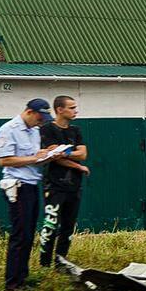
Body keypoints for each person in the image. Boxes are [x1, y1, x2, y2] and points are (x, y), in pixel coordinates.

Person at [0, 99, 58, 291]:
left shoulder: (34, 131)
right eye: (39, 118)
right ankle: (12, 283)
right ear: (29, 112)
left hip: (31, 184)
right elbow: (4, 160)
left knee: (29, 234)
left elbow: (33, 157)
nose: (41, 122)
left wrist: (47, 154)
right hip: (18, 186)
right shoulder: (9, 129)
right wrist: (34, 158)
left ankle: (22, 277)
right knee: (20, 235)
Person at [38, 96, 89, 268]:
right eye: (72, 107)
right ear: (60, 109)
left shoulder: (75, 130)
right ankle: (44, 264)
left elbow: (83, 153)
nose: (76, 110)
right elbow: (53, 157)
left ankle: (61, 261)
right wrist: (78, 165)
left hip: (74, 186)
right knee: (51, 224)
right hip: (54, 185)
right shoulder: (47, 129)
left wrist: (65, 152)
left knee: (68, 225)